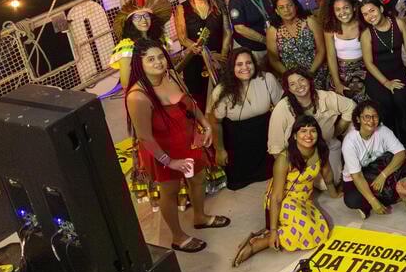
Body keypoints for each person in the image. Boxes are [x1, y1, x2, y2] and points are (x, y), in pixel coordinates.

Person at [125, 40, 227, 253]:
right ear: (139, 64)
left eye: (160, 56)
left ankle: (200, 216)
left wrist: (205, 124)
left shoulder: (172, 76)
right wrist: (170, 162)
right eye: (150, 59)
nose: (158, 62)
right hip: (162, 150)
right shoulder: (138, 96)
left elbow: (190, 102)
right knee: (169, 191)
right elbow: (145, 137)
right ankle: (178, 236)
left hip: (189, 140)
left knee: (198, 178)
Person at [232, 116, 340, 267]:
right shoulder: (284, 158)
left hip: (304, 199)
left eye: (312, 131)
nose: (308, 136)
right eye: (303, 131)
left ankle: (266, 233)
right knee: (307, 229)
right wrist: (274, 230)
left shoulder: (320, 150)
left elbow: (327, 173)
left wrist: (334, 193)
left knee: (322, 232)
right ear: (295, 135)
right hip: (285, 199)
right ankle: (260, 242)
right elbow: (276, 197)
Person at [208, 48, 282, 191]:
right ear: (231, 67)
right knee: (236, 183)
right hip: (237, 143)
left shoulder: (267, 79)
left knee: (269, 175)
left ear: (254, 64)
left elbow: (282, 107)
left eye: (248, 63)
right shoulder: (221, 91)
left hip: (265, 140)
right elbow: (215, 123)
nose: (245, 67)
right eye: (239, 64)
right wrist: (220, 150)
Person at [267, 66, 356, 183]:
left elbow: (351, 106)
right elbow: (275, 147)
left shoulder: (324, 97)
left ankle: (352, 164)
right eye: (293, 84)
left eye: (301, 80)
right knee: (319, 184)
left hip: (326, 145)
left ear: (309, 80)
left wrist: (337, 130)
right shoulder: (282, 108)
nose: (299, 86)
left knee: (333, 180)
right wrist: (288, 170)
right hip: (300, 156)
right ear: (288, 89)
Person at [340, 100, 406, 218]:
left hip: (377, 169)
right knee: (352, 200)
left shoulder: (383, 130)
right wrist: (373, 200)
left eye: (375, 116)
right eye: (367, 117)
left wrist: (383, 176)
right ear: (358, 119)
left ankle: (387, 195)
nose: (371, 121)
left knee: (398, 161)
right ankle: (389, 196)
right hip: (357, 177)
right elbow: (357, 176)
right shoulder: (350, 142)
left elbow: (401, 153)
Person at [358, 0, 406, 151]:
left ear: (381, 9)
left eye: (372, 10)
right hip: (377, 77)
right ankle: (391, 141)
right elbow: (368, 63)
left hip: (397, 71)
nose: (370, 16)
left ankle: (405, 138)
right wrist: (386, 83)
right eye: (365, 14)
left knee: (403, 104)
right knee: (385, 107)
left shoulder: (399, 23)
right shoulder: (366, 34)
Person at [174, 0, 231, 110]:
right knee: (201, 103)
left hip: (220, 60)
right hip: (194, 60)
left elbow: (227, 31)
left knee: (225, 99)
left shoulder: (219, 3)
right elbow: (182, 38)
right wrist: (208, 56)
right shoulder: (182, 8)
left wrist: (222, 57)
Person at [109, 0, 172, 92]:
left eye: (146, 16)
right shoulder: (127, 46)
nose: (143, 20)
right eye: (137, 17)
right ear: (130, 22)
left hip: (165, 88)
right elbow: (126, 82)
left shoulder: (159, 39)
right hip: (142, 93)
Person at [266, 0, 327, 85]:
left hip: (315, 72)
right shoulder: (273, 30)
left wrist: (310, 73)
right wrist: (289, 76)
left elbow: (321, 50)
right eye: (281, 7)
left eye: (289, 5)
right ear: (277, 11)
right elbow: (273, 59)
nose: (286, 10)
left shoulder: (310, 21)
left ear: (296, 7)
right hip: (290, 77)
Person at [320, 0, 367, 101]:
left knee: (362, 101)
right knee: (339, 100)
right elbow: (331, 56)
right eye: (338, 9)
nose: (343, 13)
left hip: (363, 68)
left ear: (354, 7)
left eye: (346, 8)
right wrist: (337, 82)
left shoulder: (363, 25)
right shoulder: (330, 29)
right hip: (340, 70)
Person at [227, 0, 276, 67]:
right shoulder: (236, 0)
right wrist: (263, 40)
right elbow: (239, 28)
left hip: (271, 43)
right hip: (250, 49)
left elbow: (275, 12)